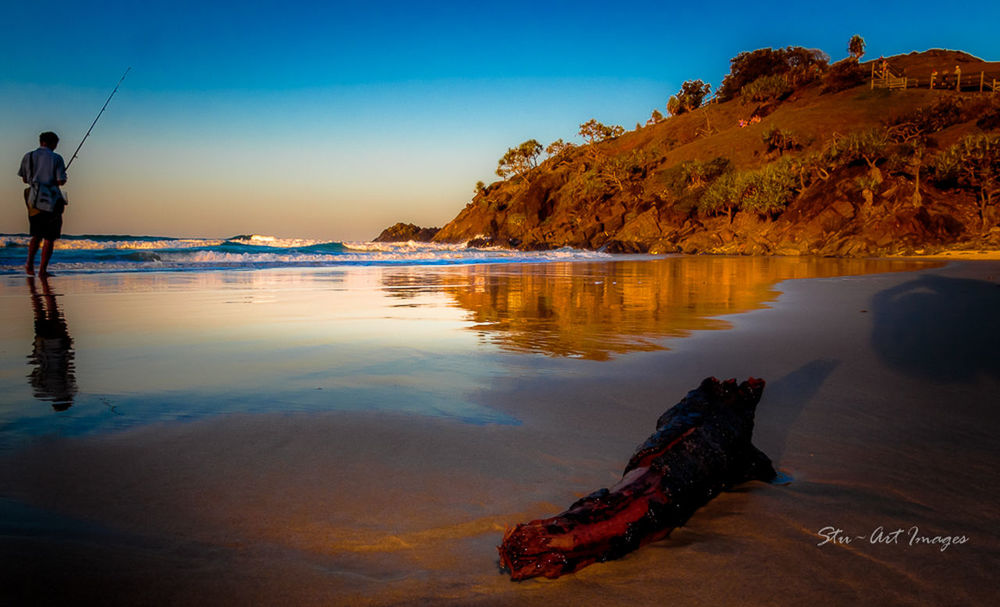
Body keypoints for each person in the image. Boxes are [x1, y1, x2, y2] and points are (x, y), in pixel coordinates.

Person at [18, 131, 68, 276]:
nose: (56, 147)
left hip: (33, 198)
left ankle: (29, 264)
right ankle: (42, 270)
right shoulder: (56, 158)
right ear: (50, 143)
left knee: (36, 234)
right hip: (52, 199)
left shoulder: (28, 156)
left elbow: (25, 179)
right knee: (49, 237)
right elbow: (60, 181)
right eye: (55, 144)